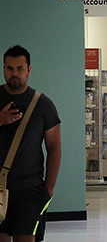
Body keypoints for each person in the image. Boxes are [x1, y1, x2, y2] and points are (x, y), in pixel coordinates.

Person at [0, 45, 61, 242]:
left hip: (30, 188)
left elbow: (54, 147)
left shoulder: (43, 105)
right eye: (9, 68)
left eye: (20, 68)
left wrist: (48, 188)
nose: (14, 73)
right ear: (3, 69)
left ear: (29, 69)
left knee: (26, 238)